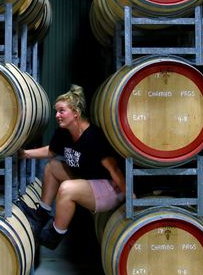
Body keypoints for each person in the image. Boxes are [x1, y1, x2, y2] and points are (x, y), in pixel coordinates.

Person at [17, 85, 127, 250]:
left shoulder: (93, 136)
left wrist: (131, 200)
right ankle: (41, 214)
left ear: (76, 112)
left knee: (67, 189)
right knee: (53, 167)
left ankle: (55, 234)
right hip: (87, 182)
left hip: (109, 188)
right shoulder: (64, 132)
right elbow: (51, 151)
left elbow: (115, 170)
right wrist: (25, 153)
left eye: (61, 111)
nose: (57, 115)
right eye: (56, 111)